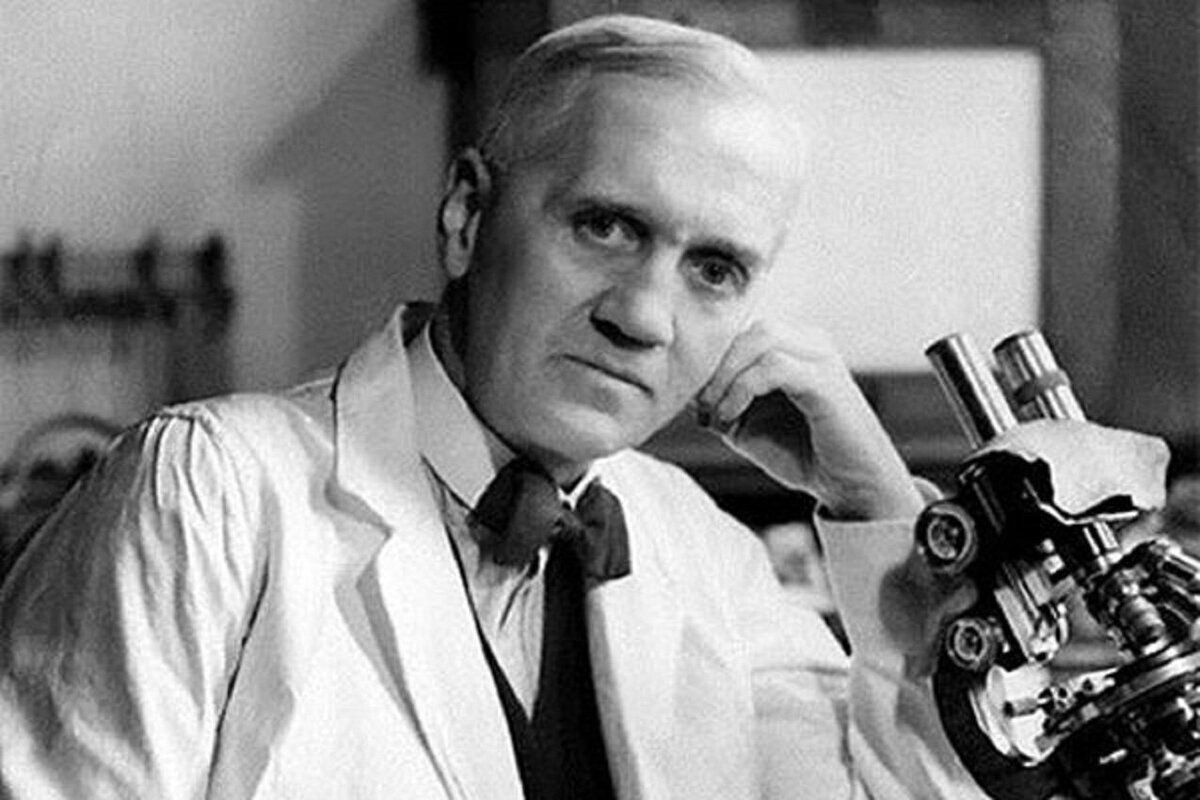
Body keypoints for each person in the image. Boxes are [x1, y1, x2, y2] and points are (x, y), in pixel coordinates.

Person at [0, 14, 1169, 800]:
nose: (645, 316)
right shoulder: (209, 490)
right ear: (467, 215)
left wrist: (872, 508)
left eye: (715, 268)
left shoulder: (704, 554)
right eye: (606, 226)